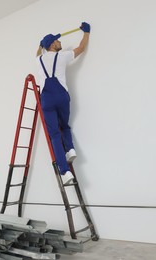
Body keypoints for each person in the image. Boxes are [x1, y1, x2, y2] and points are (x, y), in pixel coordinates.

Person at [36, 22, 90, 185]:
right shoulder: (63, 55)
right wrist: (86, 32)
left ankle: (65, 172)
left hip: (47, 99)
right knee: (65, 126)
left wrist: (41, 44)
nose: (60, 42)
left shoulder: (39, 59)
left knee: (54, 135)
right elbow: (81, 48)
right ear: (53, 44)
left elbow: (38, 51)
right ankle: (70, 149)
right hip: (61, 96)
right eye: (57, 41)